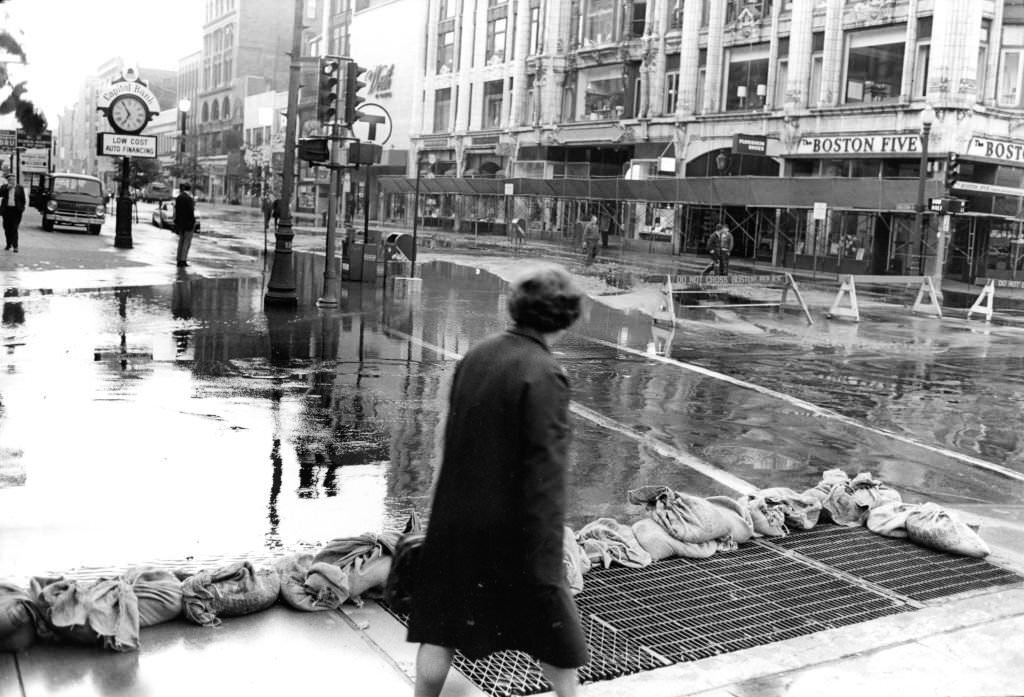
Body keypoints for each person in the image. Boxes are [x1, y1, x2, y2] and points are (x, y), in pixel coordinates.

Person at [408, 263, 588, 697]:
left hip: (456, 523)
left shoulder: (478, 355)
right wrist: (549, 549)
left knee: (442, 628)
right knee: (557, 639)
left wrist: (440, 515)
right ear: (564, 317)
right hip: (515, 534)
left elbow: (446, 438)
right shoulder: (544, 373)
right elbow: (545, 471)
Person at [1, 173, 26, 253]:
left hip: (16, 211)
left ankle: (15, 246)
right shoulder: (4, 187)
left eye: (13, 179)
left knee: (14, 228)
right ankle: (8, 244)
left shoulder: (20, 188)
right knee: (7, 228)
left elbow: (23, 200)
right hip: (7, 211)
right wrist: (7, 189)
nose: (12, 181)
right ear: (8, 181)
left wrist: (21, 209)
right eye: (10, 180)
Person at [174, 182, 197, 267]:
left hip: (180, 224)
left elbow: (176, 211)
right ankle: (183, 260)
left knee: (181, 241)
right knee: (186, 242)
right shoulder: (189, 199)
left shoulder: (179, 197)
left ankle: (178, 259)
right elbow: (191, 212)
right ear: (190, 189)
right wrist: (193, 222)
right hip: (188, 224)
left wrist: (176, 223)